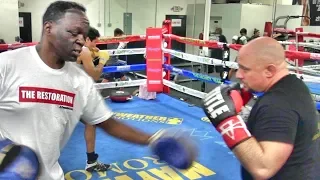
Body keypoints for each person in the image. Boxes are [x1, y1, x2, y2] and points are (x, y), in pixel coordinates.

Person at [0, 1, 195, 179]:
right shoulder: (8, 64)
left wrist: (154, 140)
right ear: (48, 28)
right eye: (73, 32)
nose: (81, 40)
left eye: (84, 36)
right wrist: (4, 152)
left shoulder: (80, 81)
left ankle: (91, 158)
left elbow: (108, 123)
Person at [202, 37, 320, 179]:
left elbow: (263, 168)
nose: (238, 75)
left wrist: (228, 122)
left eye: (245, 69)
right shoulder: (295, 86)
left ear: (269, 70)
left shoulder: (277, 105)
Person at [76, 26, 111, 172]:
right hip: (72, 94)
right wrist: (102, 60)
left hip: (57, 91)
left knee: (90, 122)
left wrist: (93, 54)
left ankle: (91, 161)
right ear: (87, 39)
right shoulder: (83, 50)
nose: (96, 46)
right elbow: (95, 76)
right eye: (94, 43)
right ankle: (91, 161)